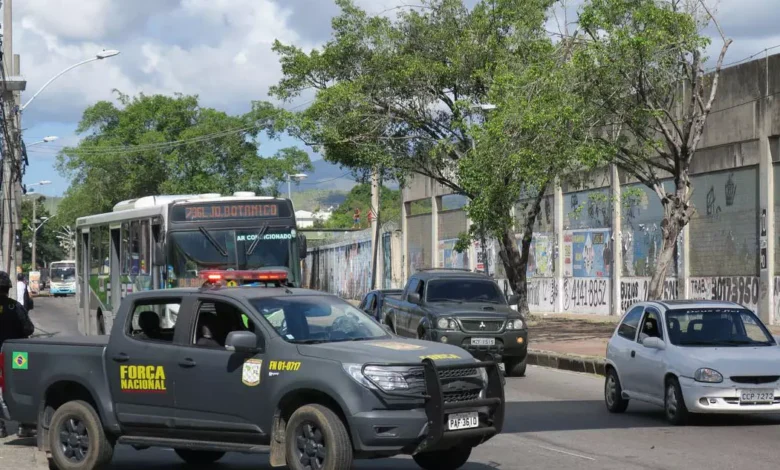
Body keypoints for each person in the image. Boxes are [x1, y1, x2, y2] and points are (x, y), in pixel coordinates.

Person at [0, 271, 35, 438]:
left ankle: (0, 428)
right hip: (15, 356)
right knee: (21, 386)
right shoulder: (15, 306)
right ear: (8, 289)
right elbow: (29, 329)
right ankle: (24, 426)